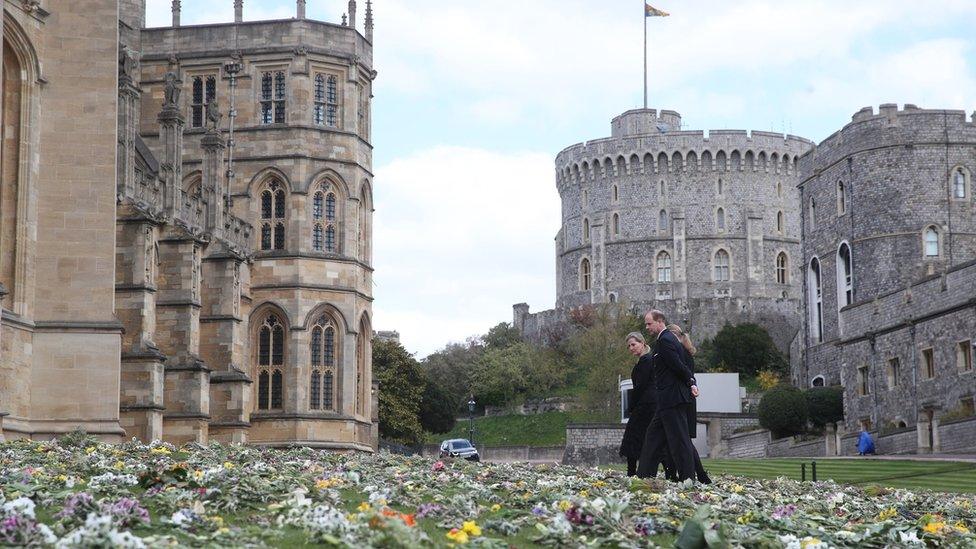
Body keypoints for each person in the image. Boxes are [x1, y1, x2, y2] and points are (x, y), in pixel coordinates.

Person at [637, 310, 698, 481]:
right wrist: (691, 382)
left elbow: (678, 365)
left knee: (680, 441)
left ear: (660, 321)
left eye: (649, 323)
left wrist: (691, 382)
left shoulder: (665, 340)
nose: (647, 327)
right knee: (652, 438)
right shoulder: (665, 340)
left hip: (671, 399)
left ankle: (688, 478)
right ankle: (644, 476)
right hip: (667, 399)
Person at [618, 332, 675, 478]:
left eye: (633, 344)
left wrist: (631, 406)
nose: (631, 348)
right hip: (648, 405)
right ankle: (668, 473)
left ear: (642, 343)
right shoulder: (646, 360)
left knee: (634, 439)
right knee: (647, 440)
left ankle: (632, 472)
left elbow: (640, 387)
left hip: (646, 406)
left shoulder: (647, 361)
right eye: (629, 346)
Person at [667, 324, 712, 484]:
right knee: (683, 439)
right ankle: (696, 474)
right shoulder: (685, 352)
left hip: (683, 399)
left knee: (683, 439)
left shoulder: (680, 353)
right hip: (686, 399)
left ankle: (697, 474)